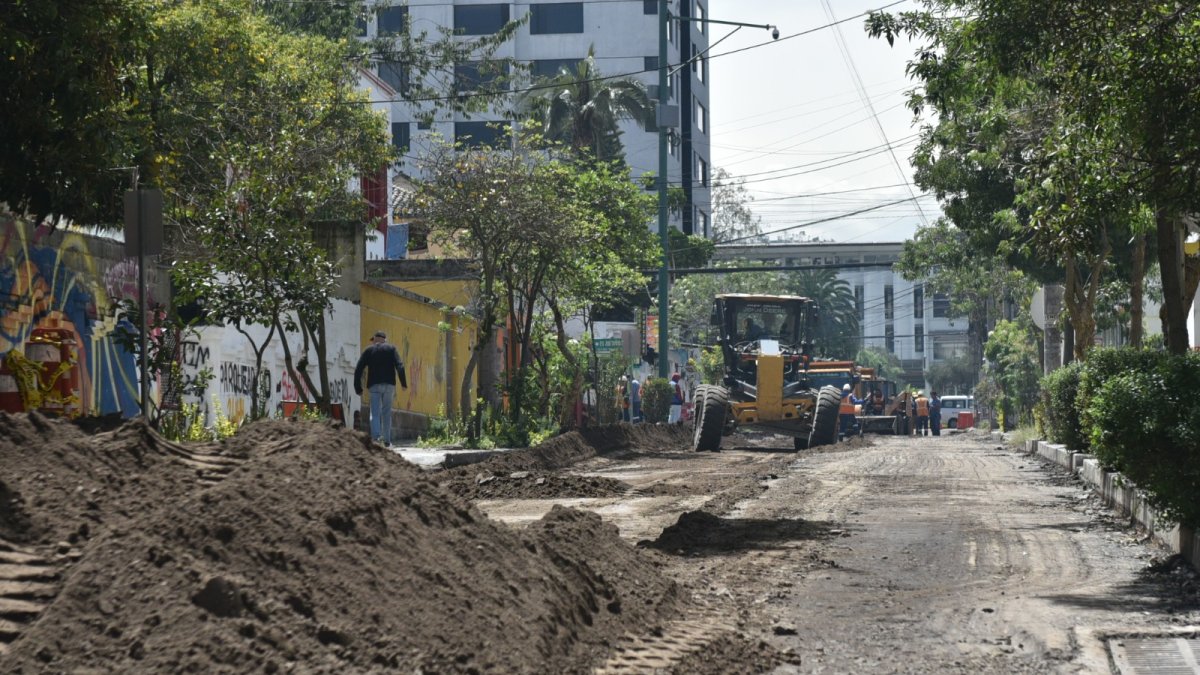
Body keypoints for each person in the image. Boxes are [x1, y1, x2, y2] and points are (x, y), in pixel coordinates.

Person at [354, 330, 408, 447]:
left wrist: (358, 388)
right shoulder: (391, 349)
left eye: (373, 340)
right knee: (386, 412)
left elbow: (358, 368)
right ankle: (387, 441)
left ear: (375, 339)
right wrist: (403, 383)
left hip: (374, 385)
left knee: (375, 412)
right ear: (385, 340)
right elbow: (400, 365)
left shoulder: (369, 350)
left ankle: (376, 439)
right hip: (389, 385)